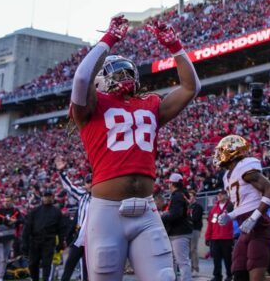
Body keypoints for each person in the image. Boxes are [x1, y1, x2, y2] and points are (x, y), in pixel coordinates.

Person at [70, 15, 201, 281]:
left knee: (164, 277)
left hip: (146, 207)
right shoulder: (90, 108)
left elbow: (191, 87)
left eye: (127, 71)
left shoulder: (150, 105)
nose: (123, 76)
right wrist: (109, 39)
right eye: (115, 72)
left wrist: (176, 47)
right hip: (106, 211)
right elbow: (82, 78)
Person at [213, 136, 270, 281]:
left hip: (259, 227)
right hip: (246, 229)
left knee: (257, 279)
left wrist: (253, 218)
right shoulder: (228, 176)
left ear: (233, 151)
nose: (218, 155)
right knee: (239, 275)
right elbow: (244, 205)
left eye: (222, 151)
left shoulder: (245, 167)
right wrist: (230, 216)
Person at [57, 156, 91, 281]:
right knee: (70, 264)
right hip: (80, 235)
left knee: (87, 266)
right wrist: (62, 172)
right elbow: (69, 186)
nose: (91, 184)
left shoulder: (101, 198)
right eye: (88, 182)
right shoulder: (82, 195)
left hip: (94, 236)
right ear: (85, 184)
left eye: (93, 181)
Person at [23, 190, 67, 281]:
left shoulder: (57, 212)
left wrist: (60, 243)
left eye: (49, 196)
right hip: (35, 241)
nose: (47, 198)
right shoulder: (35, 211)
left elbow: (61, 229)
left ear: (52, 197)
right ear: (42, 198)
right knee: (33, 264)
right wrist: (25, 243)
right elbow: (27, 228)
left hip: (49, 241)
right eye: (45, 196)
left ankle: (46, 279)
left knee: (47, 264)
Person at [162, 174, 193, 281]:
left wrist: (162, 216)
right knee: (176, 261)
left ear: (173, 184)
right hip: (180, 231)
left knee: (182, 261)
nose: (168, 185)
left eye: (169, 183)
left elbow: (175, 214)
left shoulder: (178, 196)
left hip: (179, 232)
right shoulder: (181, 195)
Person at [0, 196, 21, 281]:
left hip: (9, 236)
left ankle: (0, 276)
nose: (6, 202)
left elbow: (23, 220)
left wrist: (16, 221)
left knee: (4, 258)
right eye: (5, 201)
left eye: (8, 201)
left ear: (12, 201)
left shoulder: (15, 211)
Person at [205, 191, 234, 281]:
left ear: (226, 195)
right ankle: (217, 276)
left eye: (222, 194)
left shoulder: (231, 207)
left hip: (227, 238)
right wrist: (207, 237)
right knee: (216, 259)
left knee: (228, 259)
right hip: (215, 238)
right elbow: (211, 224)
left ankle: (229, 275)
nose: (219, 196)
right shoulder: (214, 209)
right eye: (218, 194)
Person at [188, 192, 203, 275]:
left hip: (195, 229)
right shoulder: (188, 206)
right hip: (187, 230)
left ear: (194, 197)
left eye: (190, 196)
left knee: (193, 249)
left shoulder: (198, 207)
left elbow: (195, 218)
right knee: (188, 250)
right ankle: (190, 268)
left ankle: (195, 269)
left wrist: (186, 220)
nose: (189, 197)